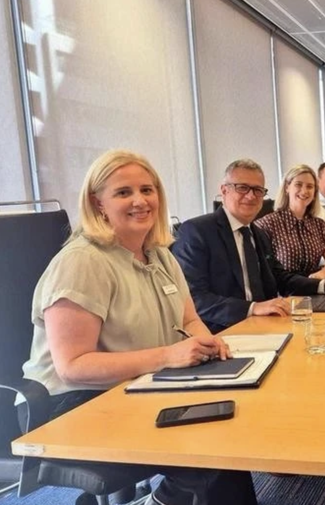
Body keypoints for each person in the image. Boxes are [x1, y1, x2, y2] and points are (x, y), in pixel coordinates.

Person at [19, 149, 257, 505]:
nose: (140, 201)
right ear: (98, 203)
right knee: (211, 453)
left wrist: (209, 344)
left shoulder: (159, 254)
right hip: (73, 403)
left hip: (141, 386)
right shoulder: (82, 262)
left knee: (231, 425)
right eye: (123, 192)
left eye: (147, 190)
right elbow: (73, 366)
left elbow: (189, 319)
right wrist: (168, 356)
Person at [172, 159, 323, 334]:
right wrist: (252, 308)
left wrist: (324, 286)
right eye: (242, 187)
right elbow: (193, 298)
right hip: (222, 334)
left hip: (267, 328)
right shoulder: (197, 232)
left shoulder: (258, 234)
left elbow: (281, 278)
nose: (251, 196)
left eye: (258, 190)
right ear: (224, 190)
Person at [255, 164, 325, 279]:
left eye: (309, 186)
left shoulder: (320, 226)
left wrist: (319, 276)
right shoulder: (267, 224)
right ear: (287, 188)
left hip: (315, 289)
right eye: (298, 185)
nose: (304, 191)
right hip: (284, 293)